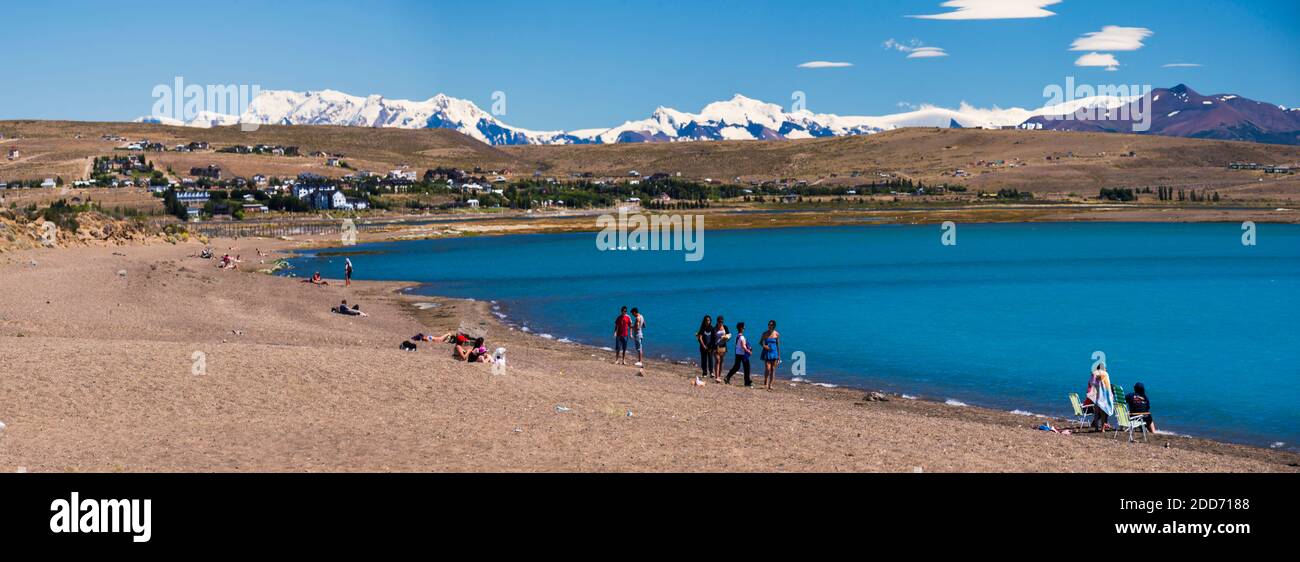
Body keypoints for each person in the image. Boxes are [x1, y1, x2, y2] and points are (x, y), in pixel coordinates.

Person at [1085, 364, 1115, 432]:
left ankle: (1096, 428)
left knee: (1096, 412)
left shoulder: (1094, 373)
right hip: (1103, 395)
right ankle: (1102, 428)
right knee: (1103, 412)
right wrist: (1110, 395)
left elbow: (1091, 383)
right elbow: (1107, 385)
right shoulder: (1105, 374)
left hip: (1096, 395)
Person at [725, 322, 753, 387]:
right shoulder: (742, 337)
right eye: (743, 327)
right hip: (743, 354)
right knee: (747, 367)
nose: (744, 328)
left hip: (737, 353)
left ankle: (727, 377)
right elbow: (743, 346)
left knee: (736, 367)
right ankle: (747, 382)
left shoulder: (737, 336)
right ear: (741, 328)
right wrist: (749, 351)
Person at [760, 320, 781, 391]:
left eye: (771, 325)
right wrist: (764, 346)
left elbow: (778, 345)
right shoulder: (765, 333)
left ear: (774, 326)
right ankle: (765, 383)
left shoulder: (777, 334)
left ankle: (770, 384)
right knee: (768, 368)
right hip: (767, 352)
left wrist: (779, 356)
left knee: (773, 369)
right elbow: (760, 342)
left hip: (774, 353)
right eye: (769, 324)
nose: (769, 326)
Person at [695, 315, 714, 380]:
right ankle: (704, 373)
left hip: (710, 347)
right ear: (704, 321)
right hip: (703, 347)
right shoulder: (702, 328)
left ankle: (711, 372)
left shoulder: (712, 328)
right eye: (706, 320)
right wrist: (703, 346)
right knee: (704, 360)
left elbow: (713, 337)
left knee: (710, 359)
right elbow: (700, 338)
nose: (707, 321)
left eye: (708, 320)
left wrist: (712, 345)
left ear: (710, 321)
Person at [712, 316, 730, 383]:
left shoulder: (725, 327)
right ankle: (716, 377)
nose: (721, 323)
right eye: (719, 321)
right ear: (717, 321)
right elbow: (712, 338)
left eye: (722, 322)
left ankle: (719, 376)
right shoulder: (714, 328)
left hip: (723, 346)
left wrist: (726, 338)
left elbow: (728, 335)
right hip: (716, 346)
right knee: (717, 360)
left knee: (721, 361)